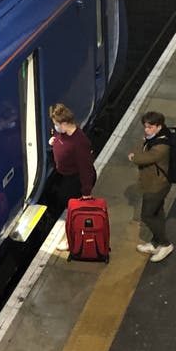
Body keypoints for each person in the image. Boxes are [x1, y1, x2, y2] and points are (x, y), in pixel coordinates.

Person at [48, 104, 97, 252]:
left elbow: (85, 169)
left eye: (56, 125)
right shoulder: (64, 134)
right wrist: (55, 140)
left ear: (64, 124)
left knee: (74, 211)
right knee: (70, 208)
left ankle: (72, 240)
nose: (55, 127)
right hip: (65, 176)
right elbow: (61, 140)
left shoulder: (79, 143)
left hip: (75, 180)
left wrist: (86, 193)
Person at [127, 110, 173, 262]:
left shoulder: (161, 146)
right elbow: (137, 149)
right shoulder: (153, 138)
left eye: (149, 127)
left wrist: (135, 156)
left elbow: (143, 158)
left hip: (157, 185)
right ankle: (155, 242)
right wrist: (141, 145)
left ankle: (165, 244)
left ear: (159, 127)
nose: (146, 130)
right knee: (157, 213)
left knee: (147, 215)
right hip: (152, 182)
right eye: (145, 127)